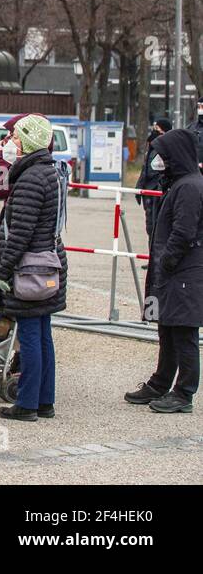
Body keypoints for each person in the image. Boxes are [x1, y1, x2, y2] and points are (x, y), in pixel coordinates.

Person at [125, 126, 203, 413]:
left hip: (184, 273)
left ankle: (183, 393)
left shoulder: (189, 187)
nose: (160, 161)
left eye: (164, 156)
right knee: (167, 328)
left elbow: (183, 232)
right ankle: (160, 382)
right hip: (172, 273)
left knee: (184, 333)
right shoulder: (180, 184)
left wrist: (166, 262)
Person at [0, 114, 68, 422]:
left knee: (29, 335)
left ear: (26, 141)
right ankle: (44, 400)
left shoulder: (30, 178)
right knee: (42, 334)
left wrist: (3, 269)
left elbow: (20, 232)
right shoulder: (50, 172)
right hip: (49, 264)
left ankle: (26, 403)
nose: (11, 142)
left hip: (30, 270)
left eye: (15, 137)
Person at [136, 118, 173, 248]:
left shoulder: (168, 147)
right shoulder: (151, 146)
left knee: (159, 227)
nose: (154, 131)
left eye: (157, 129)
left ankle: (158, 259)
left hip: (158, 192)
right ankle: (151, 257)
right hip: (148, 192)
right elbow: (145, 169)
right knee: (150, 227)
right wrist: (139, 187)